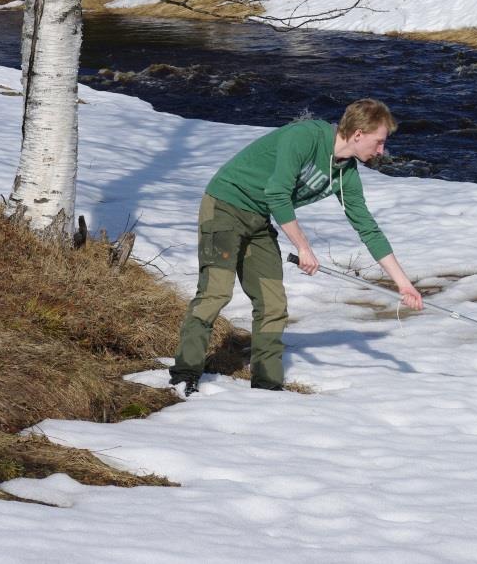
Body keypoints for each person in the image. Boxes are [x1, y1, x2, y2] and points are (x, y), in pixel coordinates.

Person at [169, 99, 423, 396]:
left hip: (259, 219)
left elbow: (368, 228)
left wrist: (404, 286)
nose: (382, 150)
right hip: (225, 205)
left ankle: (266, 386)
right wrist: (303, 247)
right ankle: (184, 375)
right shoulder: (304, 137)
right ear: (357, 134)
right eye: (379, 142)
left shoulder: (346, 173)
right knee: (216, 291)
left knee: (273, 304)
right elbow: (277, 194)